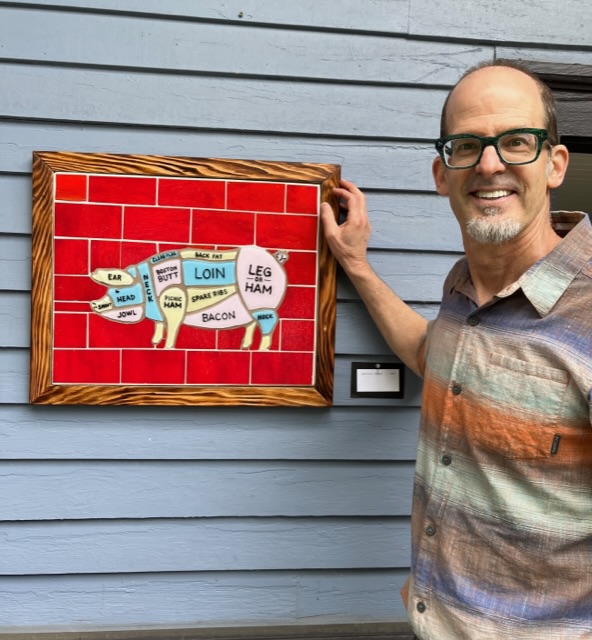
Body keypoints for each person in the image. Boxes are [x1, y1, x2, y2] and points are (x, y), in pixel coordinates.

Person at [321, 59, 592, 640]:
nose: (489, 164)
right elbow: (434, 355)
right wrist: (355, 264)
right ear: (442, 175)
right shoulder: (462, 287)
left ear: (554, 165)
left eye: (516, 141)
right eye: (466, 146)